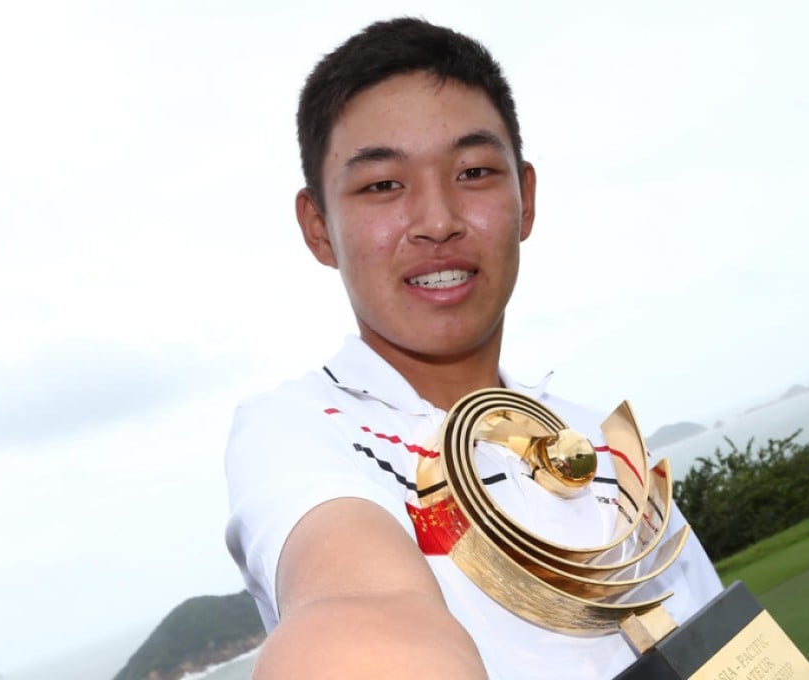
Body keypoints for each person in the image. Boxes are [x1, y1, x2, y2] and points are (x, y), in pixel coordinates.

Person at [225, 17, 723, 679]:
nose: (437, 221)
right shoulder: (299, 431)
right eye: (382, 185)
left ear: (527, 199)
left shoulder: (600, 441)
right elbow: (359, 607)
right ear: (319, 228)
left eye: (474, 171)